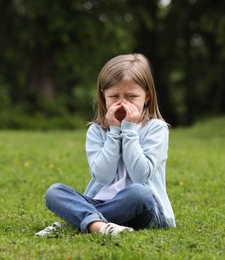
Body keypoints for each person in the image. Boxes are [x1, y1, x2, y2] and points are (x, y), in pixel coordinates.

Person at [36, 53, 176, 237]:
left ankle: (80, 222)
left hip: (144, 209)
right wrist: (114, 132)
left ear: (147, 96)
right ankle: (100, 226)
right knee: (54, 192)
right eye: (114, 96)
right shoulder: (96, 131)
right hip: (101, 202)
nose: (122, 102)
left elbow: (140, 175)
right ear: (103, 96)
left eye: (131, 96)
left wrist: (128, 130)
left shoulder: (156, 129)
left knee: (138, 193)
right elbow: (102, 176)